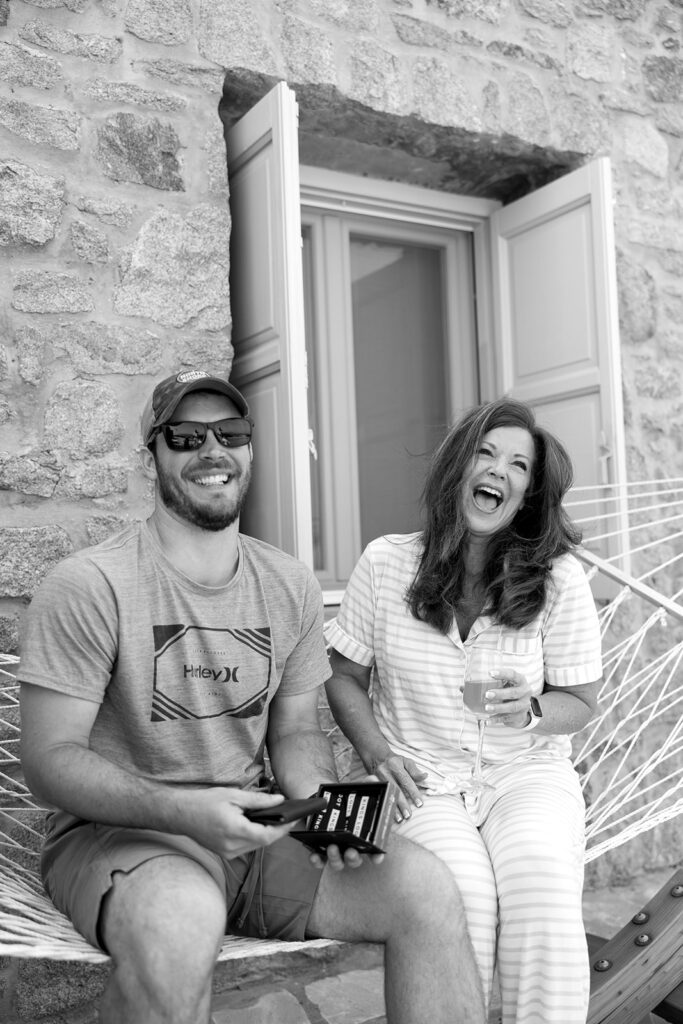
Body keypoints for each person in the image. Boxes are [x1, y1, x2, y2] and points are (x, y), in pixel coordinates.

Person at [18, 369, 485, 1024]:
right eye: (185, 436)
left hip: (258, 829)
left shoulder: (286, 582)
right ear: (148, 455)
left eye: (230, 433)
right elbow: (48, 759)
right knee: (182, 921)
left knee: (426, 889)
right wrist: (185, 812)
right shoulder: (92, 584)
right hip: (123, 834)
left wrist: (324, 811)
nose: (213, 451)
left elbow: (295, 731)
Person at [325, 397, 602, 1024]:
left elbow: (582, 702)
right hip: (423, 778)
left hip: (525, 774)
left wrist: (529, 710)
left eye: (519, 465)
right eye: (485, 452)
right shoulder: (386, 562)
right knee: (462, 895)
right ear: (459, 467)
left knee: (539, 877)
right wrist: (378, 754)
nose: (499, 471)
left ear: (529, 492)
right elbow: (343, 679)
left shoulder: (559, 578)